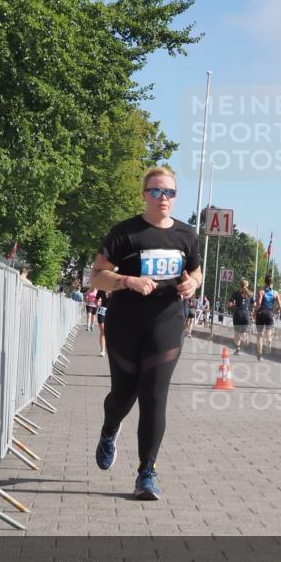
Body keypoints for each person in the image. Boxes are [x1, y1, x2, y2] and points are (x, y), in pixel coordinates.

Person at [89, 166, 202, 501]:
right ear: (144, 194)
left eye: (169, 192)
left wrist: (192, 283)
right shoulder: (125, 233)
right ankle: (109, 431)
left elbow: (195, 270)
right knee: (123, 397)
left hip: (166, 323)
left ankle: (146, 473)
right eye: (156, 191)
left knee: (154, 397)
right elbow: (96, 276)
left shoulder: (186, 235)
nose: (163, 198)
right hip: (126, 324)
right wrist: (127, 281)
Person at [252, 274, 281, 360]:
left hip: (261, 313)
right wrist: (277, 309)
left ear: (265, 282)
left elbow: (258, 304)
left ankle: (259, 354)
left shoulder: (261, 291)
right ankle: (269, 340)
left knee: (259, 335)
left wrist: (255, 311)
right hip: (269, 313)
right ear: (272, 283)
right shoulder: (275, 293)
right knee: (269, 331)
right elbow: (280, 304)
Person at [228, 279, 252, 355]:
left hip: (237, 314)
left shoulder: (235, 293)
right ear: (247, 285)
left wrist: (233, 305)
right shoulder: (250, 294)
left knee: (237, 333)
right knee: (243, 332)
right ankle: (245, 338)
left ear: (240, 285)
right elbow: (254, 304)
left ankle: (238, 348)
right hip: (246, 314)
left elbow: (230, 304)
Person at [95, 289, 109, 356]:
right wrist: (98, 305)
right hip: (102, 311)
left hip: (112, 312)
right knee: (103, 331)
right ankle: (102, 350)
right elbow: (96, 300)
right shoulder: (101, 289)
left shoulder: (115, 288)